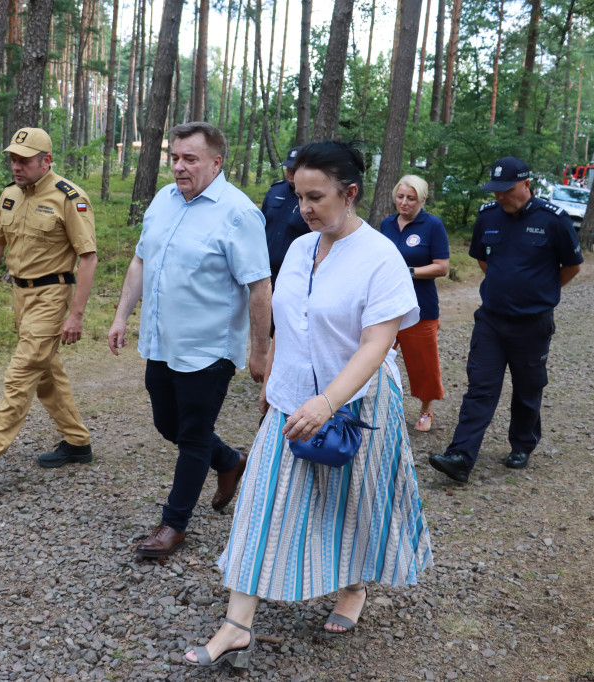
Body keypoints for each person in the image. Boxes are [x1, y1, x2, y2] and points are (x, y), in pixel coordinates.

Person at [183, 141, 433, 669]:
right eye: (299, 196)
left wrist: (327, 401)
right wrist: (272, 377)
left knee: (356, 501)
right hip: (290, 405)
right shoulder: (300, 247)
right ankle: (237, 625)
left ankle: (353, 588)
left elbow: (376, 344)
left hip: (360, 407)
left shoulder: (380, 257)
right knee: (260, 506)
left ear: (351, 193)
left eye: (316, 197)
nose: (305, 208)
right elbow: (286, 321)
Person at [107, 121, 272, 558]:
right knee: (168, 425)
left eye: (190, 159)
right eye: (175, 157)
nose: (179, 167)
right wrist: (122, 316)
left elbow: (259, 287)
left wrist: (260, 352)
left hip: (209, 348)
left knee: (194, 435)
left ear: (216, 163)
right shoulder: (163, 200)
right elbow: (141, 260)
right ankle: (230, 461)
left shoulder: (239, 214)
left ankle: (173, 524)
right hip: (161, 342)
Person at [0, 127, 98, 489]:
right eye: (13, 159)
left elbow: (87, 257)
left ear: (46, 161)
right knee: (45, 373)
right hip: (20, 296)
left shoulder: (68, 198)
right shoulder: (9, 195)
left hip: (52, 295)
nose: (16, 166)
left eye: (24, 160)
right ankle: (77, 443)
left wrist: (76, 314)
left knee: (22, 372)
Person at [428, 156, 582, 484]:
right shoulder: (488, 217)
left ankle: (522, 444)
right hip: (491, 321)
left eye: (507, 190)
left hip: (532, 323)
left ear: (527, 184)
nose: (500, 196)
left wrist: (539, 291)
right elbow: (484, 261)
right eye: (495, 190)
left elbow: (571, 266)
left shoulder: (554, 220)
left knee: (528, 388)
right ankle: (460, 456)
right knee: (480, 388)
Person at [379, 174, 450, 432]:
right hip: (387, 304)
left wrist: (409, 272)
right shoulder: (386, 224)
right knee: (375, 356)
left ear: (421, 200)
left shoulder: (432, 225)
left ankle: (425, 409)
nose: (404, 203)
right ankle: (379, 404)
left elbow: (442, 267)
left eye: (411, 198)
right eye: (400, 197)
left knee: (423, 363)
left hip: (420, 306)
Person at [261, 146, 310, 290]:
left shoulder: (313, 197)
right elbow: (261, 225)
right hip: (265, 270)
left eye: (295, 169)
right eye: (288, 168)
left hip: (295, 274)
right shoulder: (275, 190)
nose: (290, 172)